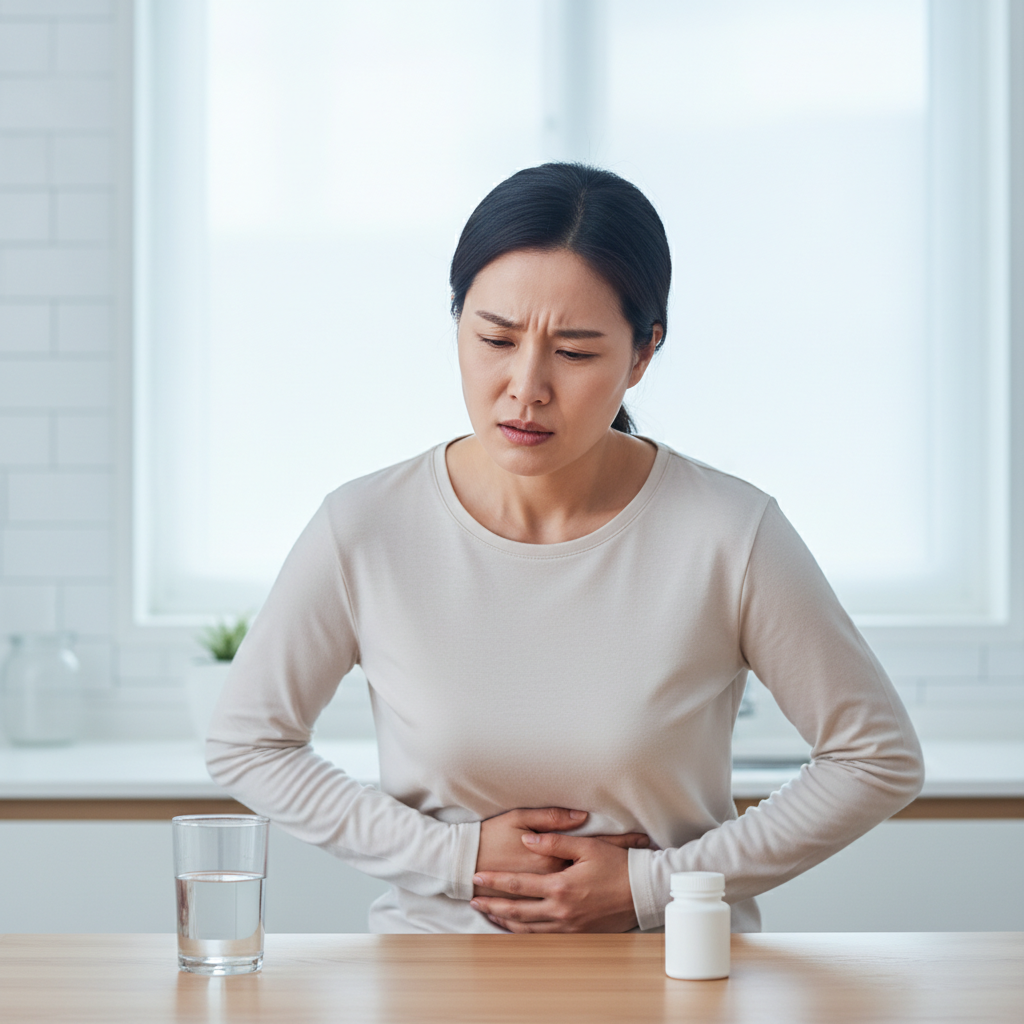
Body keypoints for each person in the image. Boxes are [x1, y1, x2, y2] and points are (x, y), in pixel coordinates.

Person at [207, 163, 925, 934]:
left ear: (643, 354)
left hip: (672, 977)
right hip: (432, 978)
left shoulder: (728, 531)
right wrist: (454, 857)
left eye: (576, 353)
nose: (526, 387)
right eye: (495, 338)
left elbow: (875, 758)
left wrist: (659, 885)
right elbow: (249, 745)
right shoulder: (366, 527)